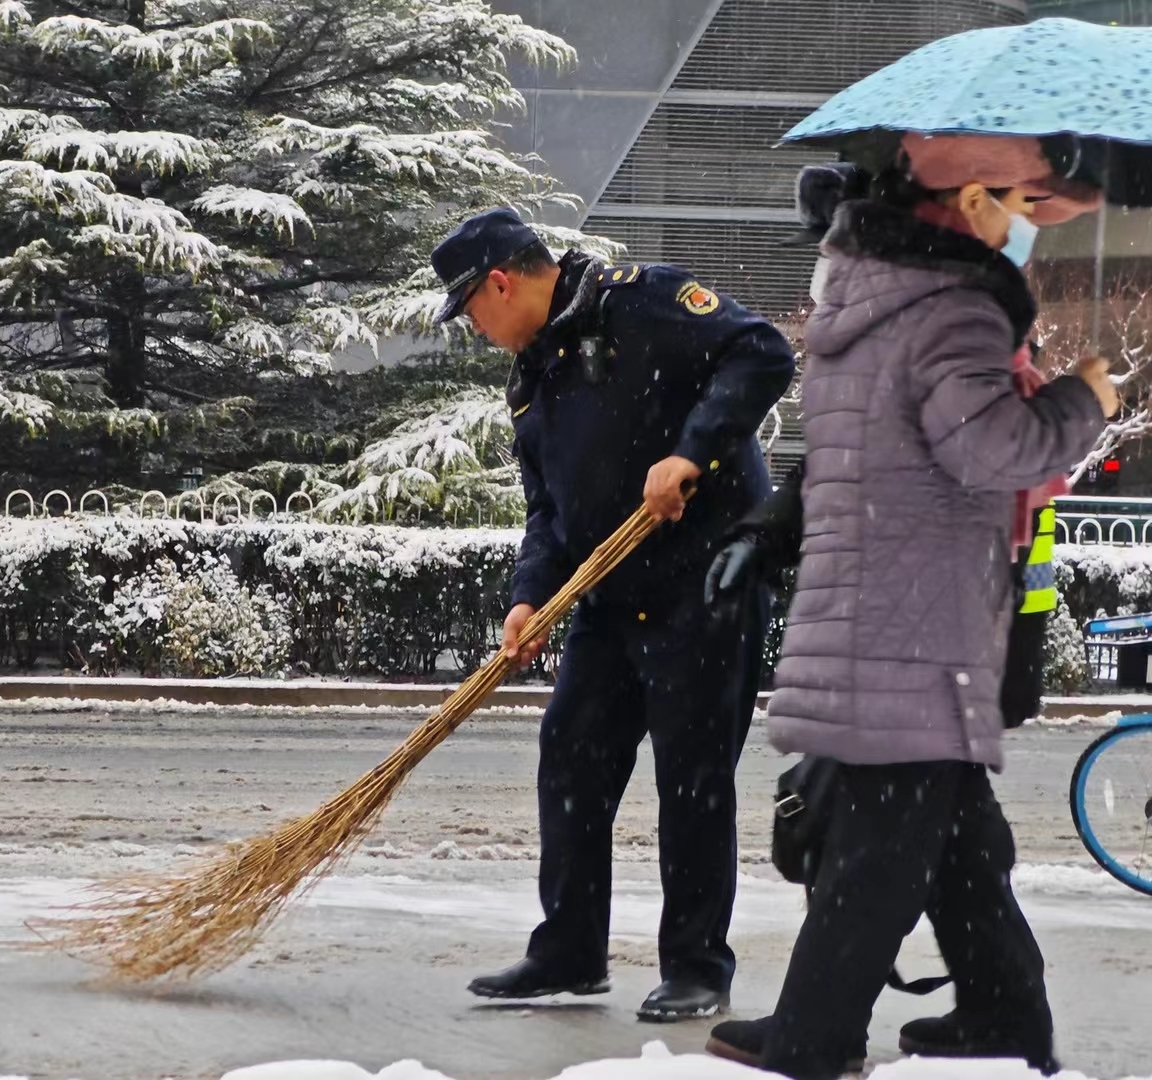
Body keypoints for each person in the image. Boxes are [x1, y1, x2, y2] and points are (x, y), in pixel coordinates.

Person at [700, 134, 1118, 1078]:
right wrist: (1082, 399)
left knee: (953, 833)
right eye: (1030, 202)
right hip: (921, 616)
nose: (1037, 224)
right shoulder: (956, 307)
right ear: (973, 201)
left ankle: (1003, 1015)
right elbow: (993, 449)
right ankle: (817, 1036)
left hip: (879, 601)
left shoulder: (872, 294)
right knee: (884, 840)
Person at [426, 207, 796, 1020]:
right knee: (572, 753)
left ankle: (697, 967)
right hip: (609, 595)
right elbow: (546, 513)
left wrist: (692, 452)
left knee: (692, 777)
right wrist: (530, 596)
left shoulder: (639, 302)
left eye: (473, 311)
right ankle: (569, 951)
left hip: (704, 583)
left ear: (501, 282)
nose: (476, 330)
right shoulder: (531, 382)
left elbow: (763, 351)